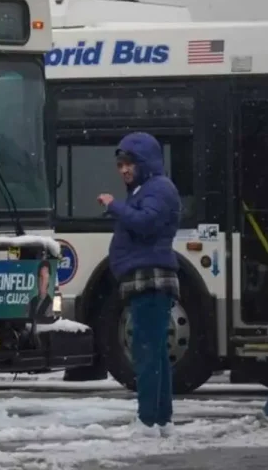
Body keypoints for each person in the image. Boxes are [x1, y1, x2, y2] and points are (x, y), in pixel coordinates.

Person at [97, 132, 181, 438]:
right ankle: (162, 420)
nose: (123, 170)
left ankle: (147, 421)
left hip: (150, 280)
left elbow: (146, 223)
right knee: (155, 351)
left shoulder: (158, 188)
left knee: (146, 350)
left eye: (129, 163)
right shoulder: (148, 188)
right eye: (120, 164)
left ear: (145, 162)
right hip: (144, 279)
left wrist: (114, 206)